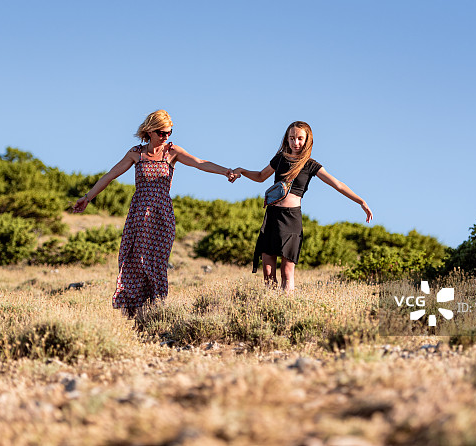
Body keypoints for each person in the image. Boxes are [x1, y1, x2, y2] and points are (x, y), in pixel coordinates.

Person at [71, 110, 237, 316]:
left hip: (161, 215)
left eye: (169, 132)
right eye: (161, 132)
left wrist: (225, 171)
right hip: (139, 215)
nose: (166, 136)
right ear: (149, 130)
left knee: (156, 262)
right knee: (133, 259)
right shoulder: (135, 153)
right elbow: (110, 175)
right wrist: (87, 198)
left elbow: (199, 162)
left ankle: (155, 309)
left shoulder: (172, 152)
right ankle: (132, 312)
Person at [234, 121, 372, 292]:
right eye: (292, 138)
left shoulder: (310, 164)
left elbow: (337, 184)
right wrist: (242, 170)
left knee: (286, 272)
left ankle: (287, 307)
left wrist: (361, 201)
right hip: (272, 216)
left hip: (291, 219)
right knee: (268, 272)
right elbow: (261, 176)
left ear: (307, 140)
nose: (296, 143)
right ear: (287, 139)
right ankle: (270, 309)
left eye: (300, 139)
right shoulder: (280, 158)